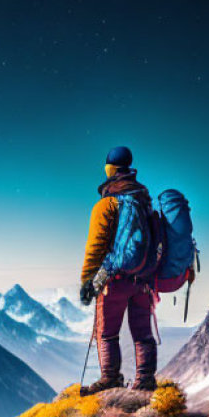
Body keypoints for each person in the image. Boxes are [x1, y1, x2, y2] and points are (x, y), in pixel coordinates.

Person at [78, 146, 158, 393]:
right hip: (144, 279)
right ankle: (145, 380)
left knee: (106, 332)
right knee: (142, 332)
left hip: (115, 280)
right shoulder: (144, 201)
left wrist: (87, 282)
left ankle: (110, 377)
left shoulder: (106, 204)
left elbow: (95, 246)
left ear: (109, 169)